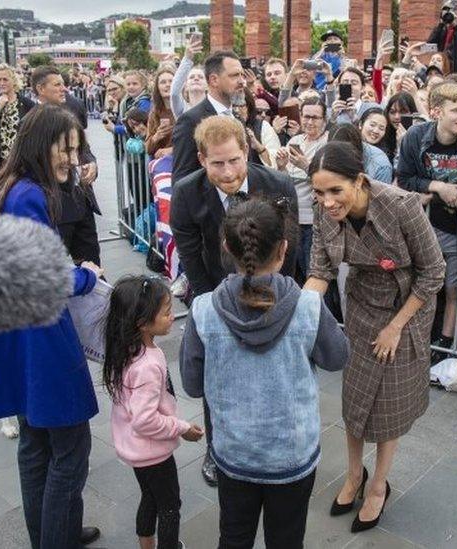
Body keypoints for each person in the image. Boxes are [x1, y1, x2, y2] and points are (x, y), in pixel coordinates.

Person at [181, 196, 349, 548]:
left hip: (234, 454)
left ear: (226, 247)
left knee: (234, 537)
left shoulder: (203, 310)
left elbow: (192, 384)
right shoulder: (308, 306)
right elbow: (337, 358)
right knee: (287, 540)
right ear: (284, 248)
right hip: (292, 456)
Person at [0, 104, 104, 548]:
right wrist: (88, 275)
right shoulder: (28, 193)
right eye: (65, 148)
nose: (72, 157)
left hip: (13, 328)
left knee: (36, 446)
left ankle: (56, 532)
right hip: (37, 335)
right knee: (70, 448)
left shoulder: (7, 186)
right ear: (41, 143)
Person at [305, 141, 445, 532]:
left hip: (408, 309)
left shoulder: (400, 206)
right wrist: (299, 313)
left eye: (336, 191)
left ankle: (379, 484)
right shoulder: (323, 211)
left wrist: (397, 326)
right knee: (355, 399)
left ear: (360, 180)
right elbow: (319, 267)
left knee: (388, 406)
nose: (327, 202)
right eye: (318, 192)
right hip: (363, 304)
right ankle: (354, 475)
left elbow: (434, 272)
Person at [170, 116, 299, 487]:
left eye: (234, 160)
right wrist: (216, 306)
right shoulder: (187, 193)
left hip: (270, 291)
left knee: (272, 369)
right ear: (200, 159)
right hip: (215, 290)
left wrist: (269, 298)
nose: (228, 172)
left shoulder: (278, 184)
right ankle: (217, 446)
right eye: (217, 163)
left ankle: (276, 438)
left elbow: (287, 250)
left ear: (246, 151)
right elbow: (191, 257)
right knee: (217, 376)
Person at [103, 275, 205, 549]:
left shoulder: (128, 349)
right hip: (152, 453)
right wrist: (181, 427)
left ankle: (146, 544)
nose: (172, 317)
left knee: (149, 496)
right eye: (167, 313)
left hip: (136, 451)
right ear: (142, 323)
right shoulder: (147, 365)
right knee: (170, 505)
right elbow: (145, 420)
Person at [397, 83, 457, 361]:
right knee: (424, 287)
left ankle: (446, 345)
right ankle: (418, 341)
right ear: (437, 111)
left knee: (453, 290)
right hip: (425, 227)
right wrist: (439, 186)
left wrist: (432, 193)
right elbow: (404, 179)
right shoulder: (415, 136)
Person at [31, 66, 102, 266]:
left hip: (82, 199)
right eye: (57, 84)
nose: (64, 89)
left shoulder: (73, 110)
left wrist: (92, 164)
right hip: (56, 206)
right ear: (40, 88)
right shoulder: (30, 121)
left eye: (64, 84)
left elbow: (84, 149)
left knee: (92, 264)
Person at [171, 51, 246, 184]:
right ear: (214, 80)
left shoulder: (237, 118)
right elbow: (182, 179)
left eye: (242, 75)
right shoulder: (191, 121)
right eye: (234, 75)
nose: (242, 82)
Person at [276, 98, 330, 280]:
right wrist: (281, 166)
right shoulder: (296, 139)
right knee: (293, 273)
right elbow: (285, 181)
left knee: (313, 272)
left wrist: (307, 166)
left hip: (314, 220)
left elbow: (329, 182)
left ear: (324, 119)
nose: (310, 122)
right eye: (306, 116)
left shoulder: (328, 143)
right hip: (292, 217)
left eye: (315, 117)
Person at [0, 64, 35, 179]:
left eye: (5, 79)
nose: (1, 83)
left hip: (20, 161)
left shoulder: (27, 104)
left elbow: (34, 130)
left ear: (13, 80)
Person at [146, 67, 176, 159]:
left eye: (171, 81)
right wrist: (157, 136)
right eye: (163, 82)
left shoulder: (186, 109)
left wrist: (172, 150)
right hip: (163, 163)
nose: (168, 85)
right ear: (157, 88)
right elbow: (148, 149)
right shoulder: (154, 113)